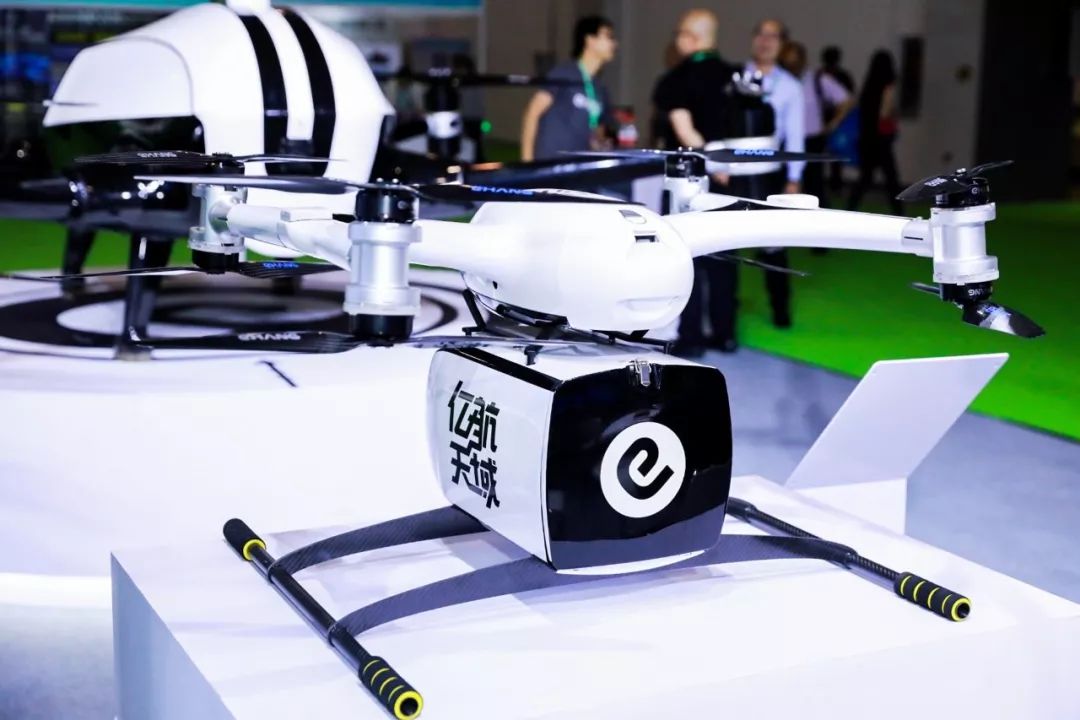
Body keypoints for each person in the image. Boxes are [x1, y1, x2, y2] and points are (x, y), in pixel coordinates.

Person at [652, 9, 739, 356]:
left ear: (690, 37)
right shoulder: (737, 77)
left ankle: (691, 338)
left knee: (687, 256)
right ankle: (725, 333)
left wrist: (709, 161)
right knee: (726, 256)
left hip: (689, 180)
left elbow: (685, 130)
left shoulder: (676, 79)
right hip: (731, 178)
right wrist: (724, 164)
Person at [742, 18, 804, 328]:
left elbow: (795, 135)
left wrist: (794, 178)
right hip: (732, 170)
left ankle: (781, 310)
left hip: (769, 171)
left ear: (782, 44)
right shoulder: (736, 78)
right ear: (753, 38)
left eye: (773, 36)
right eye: (761, 34)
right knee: (720, 244)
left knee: (773, 244)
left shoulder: (791, 87)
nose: (766, 41)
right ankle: (721, 317)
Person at [520, 16, 617, 161]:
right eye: (608, 36)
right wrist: (527, 161)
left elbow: (597, 131)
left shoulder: (600, 88)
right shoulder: (565, 73)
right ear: (590, 40)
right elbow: (532, 113)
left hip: (576, 167)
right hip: (549, 165)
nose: (614, 43)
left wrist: (600, 144)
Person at [779, 40, 853, 209]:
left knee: (814, 186)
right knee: (781, 185)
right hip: (785, 140)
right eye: (787, 63)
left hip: (812, 140)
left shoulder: (817, 79)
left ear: (803, 61)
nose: (792, 67)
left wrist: (833, 123)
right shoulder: (779, 81)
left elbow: (846, 100)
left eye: (795, 62)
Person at [846, 49, 904, 215]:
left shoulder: (868, 86)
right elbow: (884, 113)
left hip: (867, 137)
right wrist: (894, 112)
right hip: (882, 138)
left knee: (866, 177)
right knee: (891, 177)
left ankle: (850, 208)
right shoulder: (887, 86)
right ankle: (899, 211)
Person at [819, 46, 855, 192]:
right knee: (830, 155)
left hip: (832, 120)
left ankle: (833, 186)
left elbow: (848, 99)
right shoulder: (821, 76)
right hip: (828, 120)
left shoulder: (821, 76)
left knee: (831, 155)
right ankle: (833, 186)